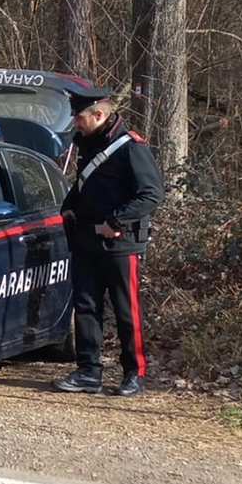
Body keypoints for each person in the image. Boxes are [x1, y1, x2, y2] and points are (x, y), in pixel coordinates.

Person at [52, 87, 165, 397]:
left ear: (98, 115)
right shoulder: (87, 144)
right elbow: (85, 183)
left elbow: (152, 193)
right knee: (86, 307)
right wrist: (69, 205)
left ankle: (134, 373)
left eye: (79, 117)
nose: (75, 122)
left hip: (121, 245)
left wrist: (116, 221)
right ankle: (88, 371)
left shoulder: (131, 147)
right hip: (85, 241)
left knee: (126, 310)